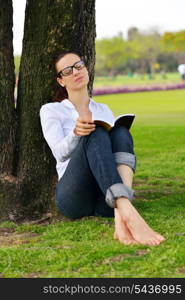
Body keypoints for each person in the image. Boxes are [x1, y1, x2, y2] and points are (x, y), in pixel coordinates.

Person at [40, 51, 165, 246]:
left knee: (122, 133)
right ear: (61, 81)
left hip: (104, 198)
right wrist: (75, 134)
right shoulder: (51, 110)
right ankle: (130, 215)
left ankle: (120, 211)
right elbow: (59, 153)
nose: (76, 72)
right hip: (74, 197)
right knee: (95, 132)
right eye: (67, 70)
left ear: (87, 68)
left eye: (79, 65)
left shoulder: (103, 110)